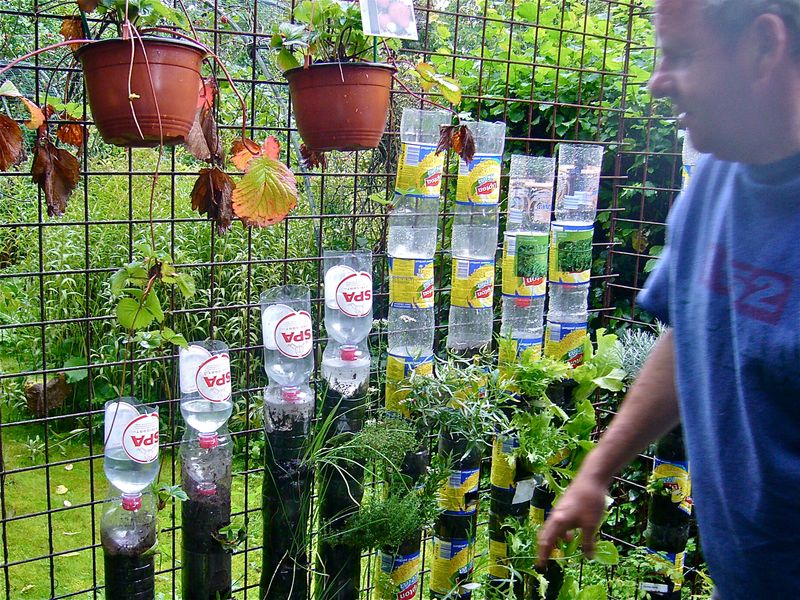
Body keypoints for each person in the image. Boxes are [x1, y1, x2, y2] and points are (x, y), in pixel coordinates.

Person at [536, 1, 800, 598]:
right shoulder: (716, 178)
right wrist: (597, 472)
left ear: (763, 46)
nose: (656, 82)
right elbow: (692, 333)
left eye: (680, 56)